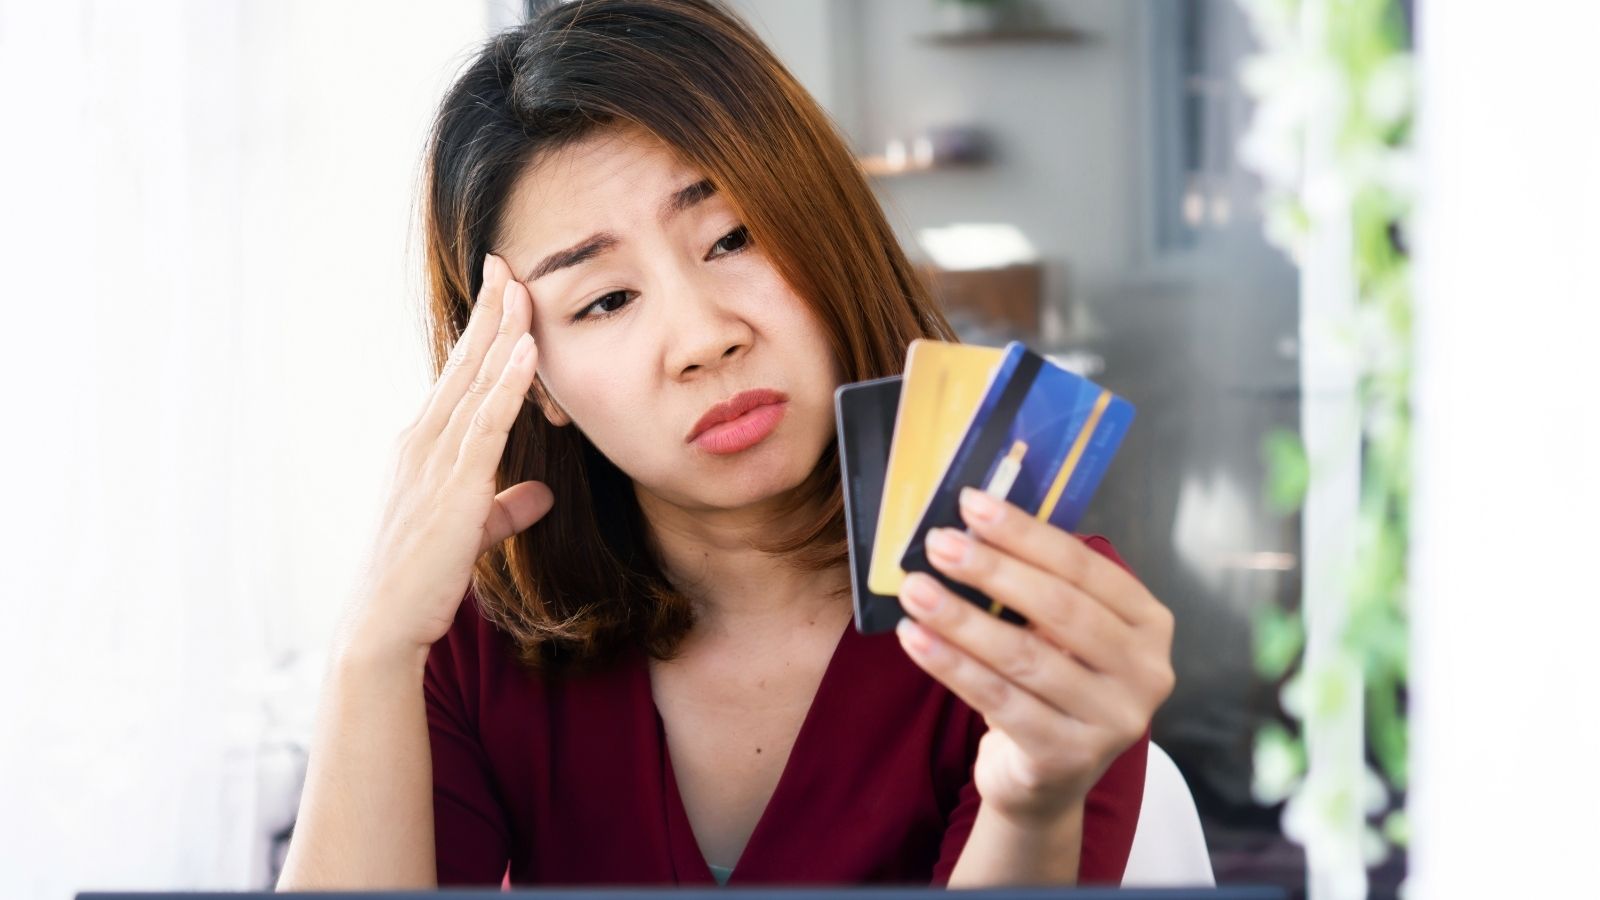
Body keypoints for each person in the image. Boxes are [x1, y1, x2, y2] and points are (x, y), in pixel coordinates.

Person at [277, 0, 1174, 890]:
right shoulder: (474, 642)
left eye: (733, 237)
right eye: (605, 300)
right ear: (531, 379)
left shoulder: (1040, 619)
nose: (704, 338)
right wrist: (372, 648)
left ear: (827, 234)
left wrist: (1033, 803)